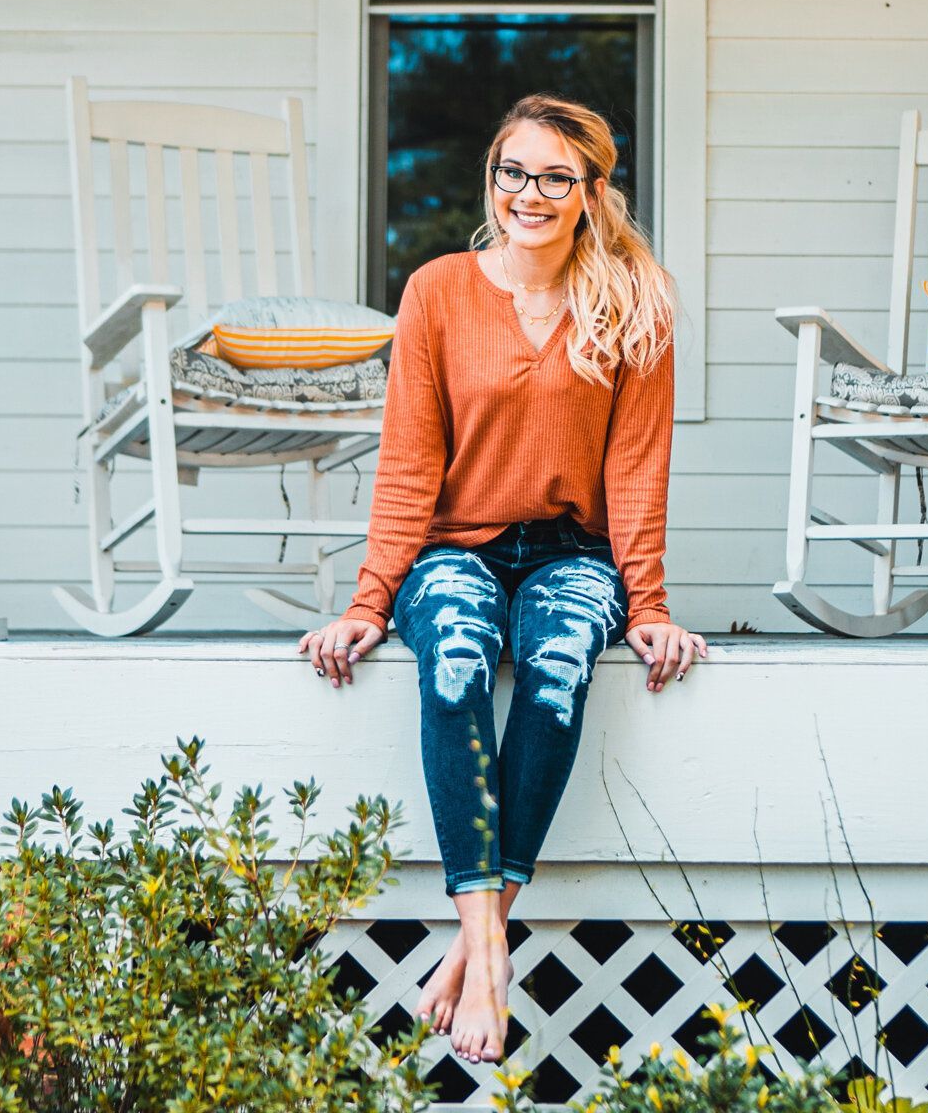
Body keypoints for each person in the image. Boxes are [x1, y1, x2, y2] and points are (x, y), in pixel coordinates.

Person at [298, 94, 707, 1065]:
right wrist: (367, 599)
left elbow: (636, 466)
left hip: (572, 550)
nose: (528, 192)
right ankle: (489, 946)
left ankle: (478, 934)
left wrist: (645, 604)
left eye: (554, 176)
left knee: (559, 669)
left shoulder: (635, 299)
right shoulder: (437, 292)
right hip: (455, 544)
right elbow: (407, 462)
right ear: (493, 177)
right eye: (512, 172)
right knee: (452, 662)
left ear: (591, 191)